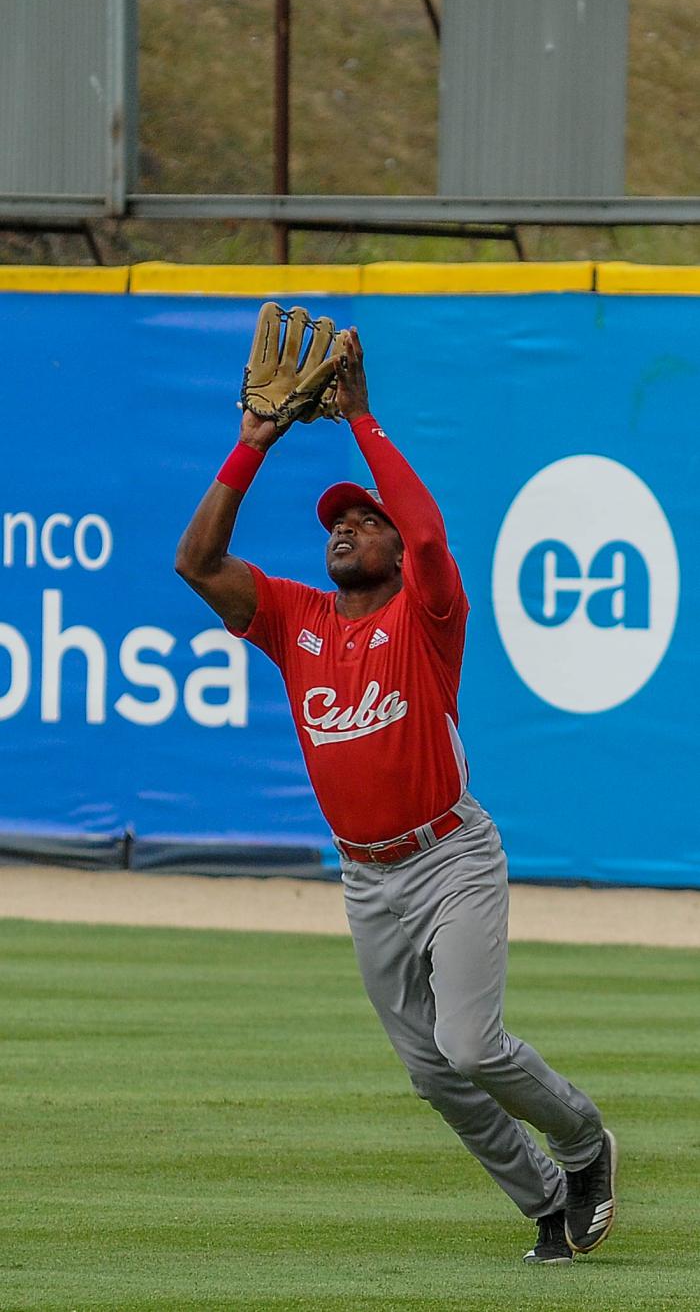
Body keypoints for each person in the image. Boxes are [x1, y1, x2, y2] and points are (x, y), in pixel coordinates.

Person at [175, 325, 617, 1266]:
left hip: (450, 855)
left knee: (469, 1043)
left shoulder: (428, 612)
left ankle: (583, 1143)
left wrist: (361, 418)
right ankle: (543, 1197)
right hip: (366, 879)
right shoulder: (294, 617)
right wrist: (253, 439)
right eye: (336, 518)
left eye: (361, 518)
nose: (345, 525)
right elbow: (198, 565)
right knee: (429, 1070)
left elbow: (424, 531)